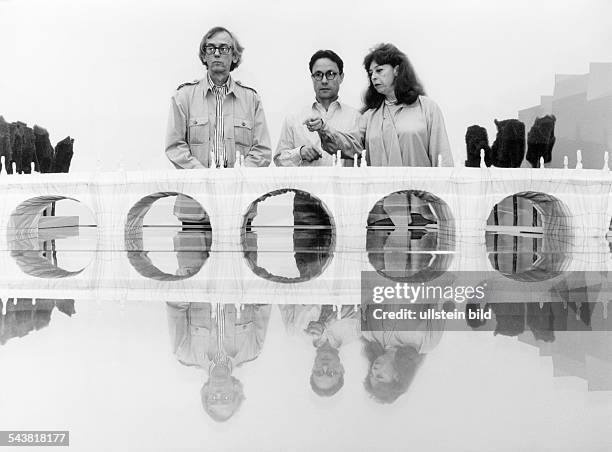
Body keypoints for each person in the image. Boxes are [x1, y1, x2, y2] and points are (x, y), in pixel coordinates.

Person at [306, 43, 454, 226]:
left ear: (397, 70)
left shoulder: (427, 108)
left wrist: (447, 205)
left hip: (423, 212)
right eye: (371, 73)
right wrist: (323, 128)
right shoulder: (370, 116)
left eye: (379, 70)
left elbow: (443, 159)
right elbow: (349, 146)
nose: (374, 77)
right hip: (385, 216)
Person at [165, 26, 272, 225]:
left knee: (242, 257)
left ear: (234, 56)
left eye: (224, 48)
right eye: (210, 48)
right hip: (194, 208)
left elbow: (262, 151)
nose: (216, 53)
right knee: (193, 256)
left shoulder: (251, 99)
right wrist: (205, 178)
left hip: (239, 207)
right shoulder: (184, 97)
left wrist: (234, 178)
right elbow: (175, 147)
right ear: (203, 56)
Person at [274, 49, 361, 226]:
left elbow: (359, 153)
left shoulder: (356, 117)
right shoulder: (295, 118)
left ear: (341, 77)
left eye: (330, 74)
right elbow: (278, 160)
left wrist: (327, 131)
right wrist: (299, 153)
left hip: (346, 201)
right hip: (306, 204)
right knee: (306, 253)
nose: (323, 80)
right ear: (312, 78)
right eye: (318, 75)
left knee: (347, 253)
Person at [167, 302, 272, 421]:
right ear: (236, 390)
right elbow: (263, 302)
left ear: (206, 392)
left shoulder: (184, 352)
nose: (219, 393)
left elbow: (175, 302)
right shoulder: (253, 348)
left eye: (213, 399)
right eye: (226, 398)